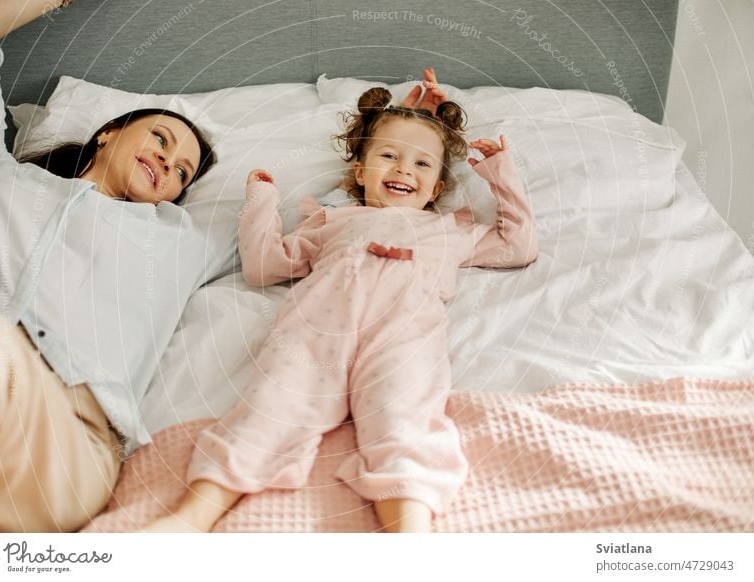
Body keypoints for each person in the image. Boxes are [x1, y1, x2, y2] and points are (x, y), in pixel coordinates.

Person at [144, 86, 538, 533]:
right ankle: (193, 517)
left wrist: (500, 175)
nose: (404, 169)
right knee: (272, 406)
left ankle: (410, 534)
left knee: (405, 418)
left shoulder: (449, 229)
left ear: (437, 188)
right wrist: (261, 204)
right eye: (389, 156)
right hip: (316, 331)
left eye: (422, 163)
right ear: (361, 172)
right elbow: (261, 266)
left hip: (403, 335)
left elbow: (518, 246)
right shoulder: (330, 221)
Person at [0, 0, 221, 532]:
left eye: (183, 171)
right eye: (160, 139)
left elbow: (323, 233)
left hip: (62, 443)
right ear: (108, 133)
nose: (169, 162)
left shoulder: (183, 242)